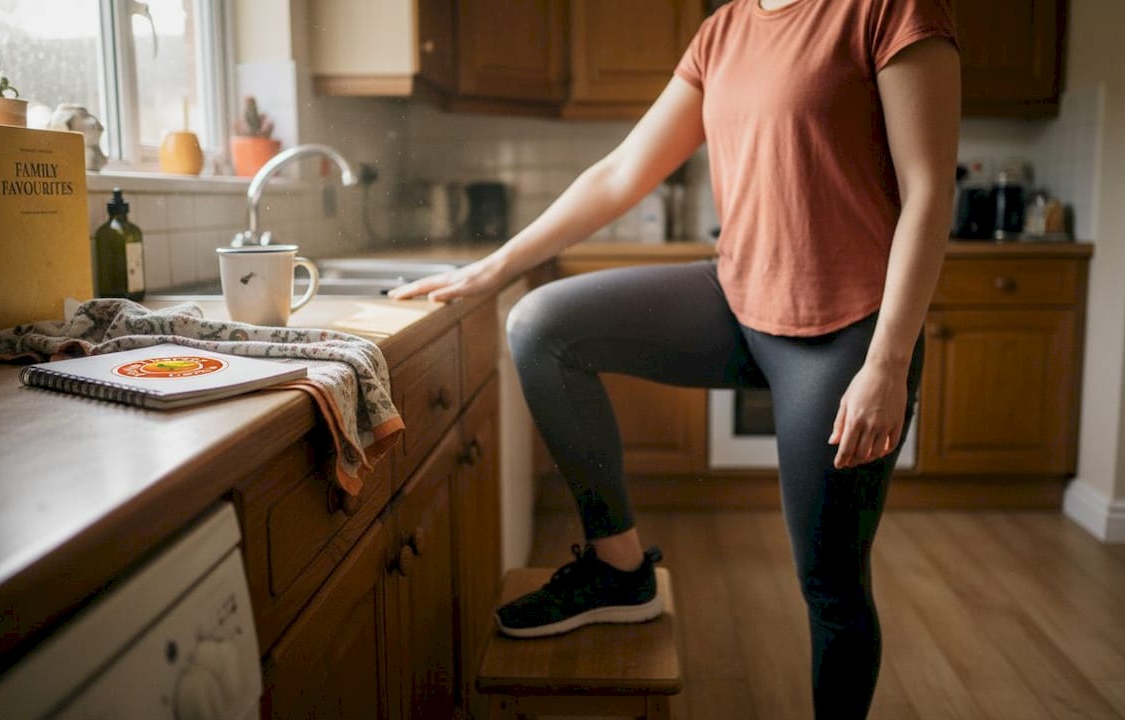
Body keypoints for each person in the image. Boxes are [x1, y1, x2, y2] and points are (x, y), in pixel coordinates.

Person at [392, 0, 959, 715]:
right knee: (542, 326)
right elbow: (623, 170)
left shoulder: (887, 9)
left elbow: (931, 189)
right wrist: (494, 267)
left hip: (848, 332)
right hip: (736, 298)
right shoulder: (722, 32)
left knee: (832, 587)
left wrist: (888, 362)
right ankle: (617, 568)